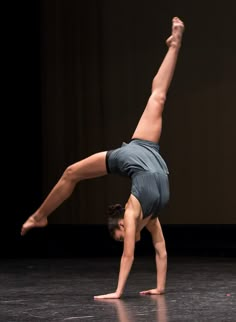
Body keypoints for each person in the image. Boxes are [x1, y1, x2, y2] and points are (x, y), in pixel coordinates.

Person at [21, 17, 185, 299]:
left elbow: (129, 256)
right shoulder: (151, 218)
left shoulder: (133, 215)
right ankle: (173, 46)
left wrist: (118, 292)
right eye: (122, 240)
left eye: (121, 237)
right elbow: (161, 250)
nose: (125, 241)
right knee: (157, 97)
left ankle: (39, 216)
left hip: (138, 159)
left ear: (121, 225)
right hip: (149, 157)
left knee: (72, 172)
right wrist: (159, 287)